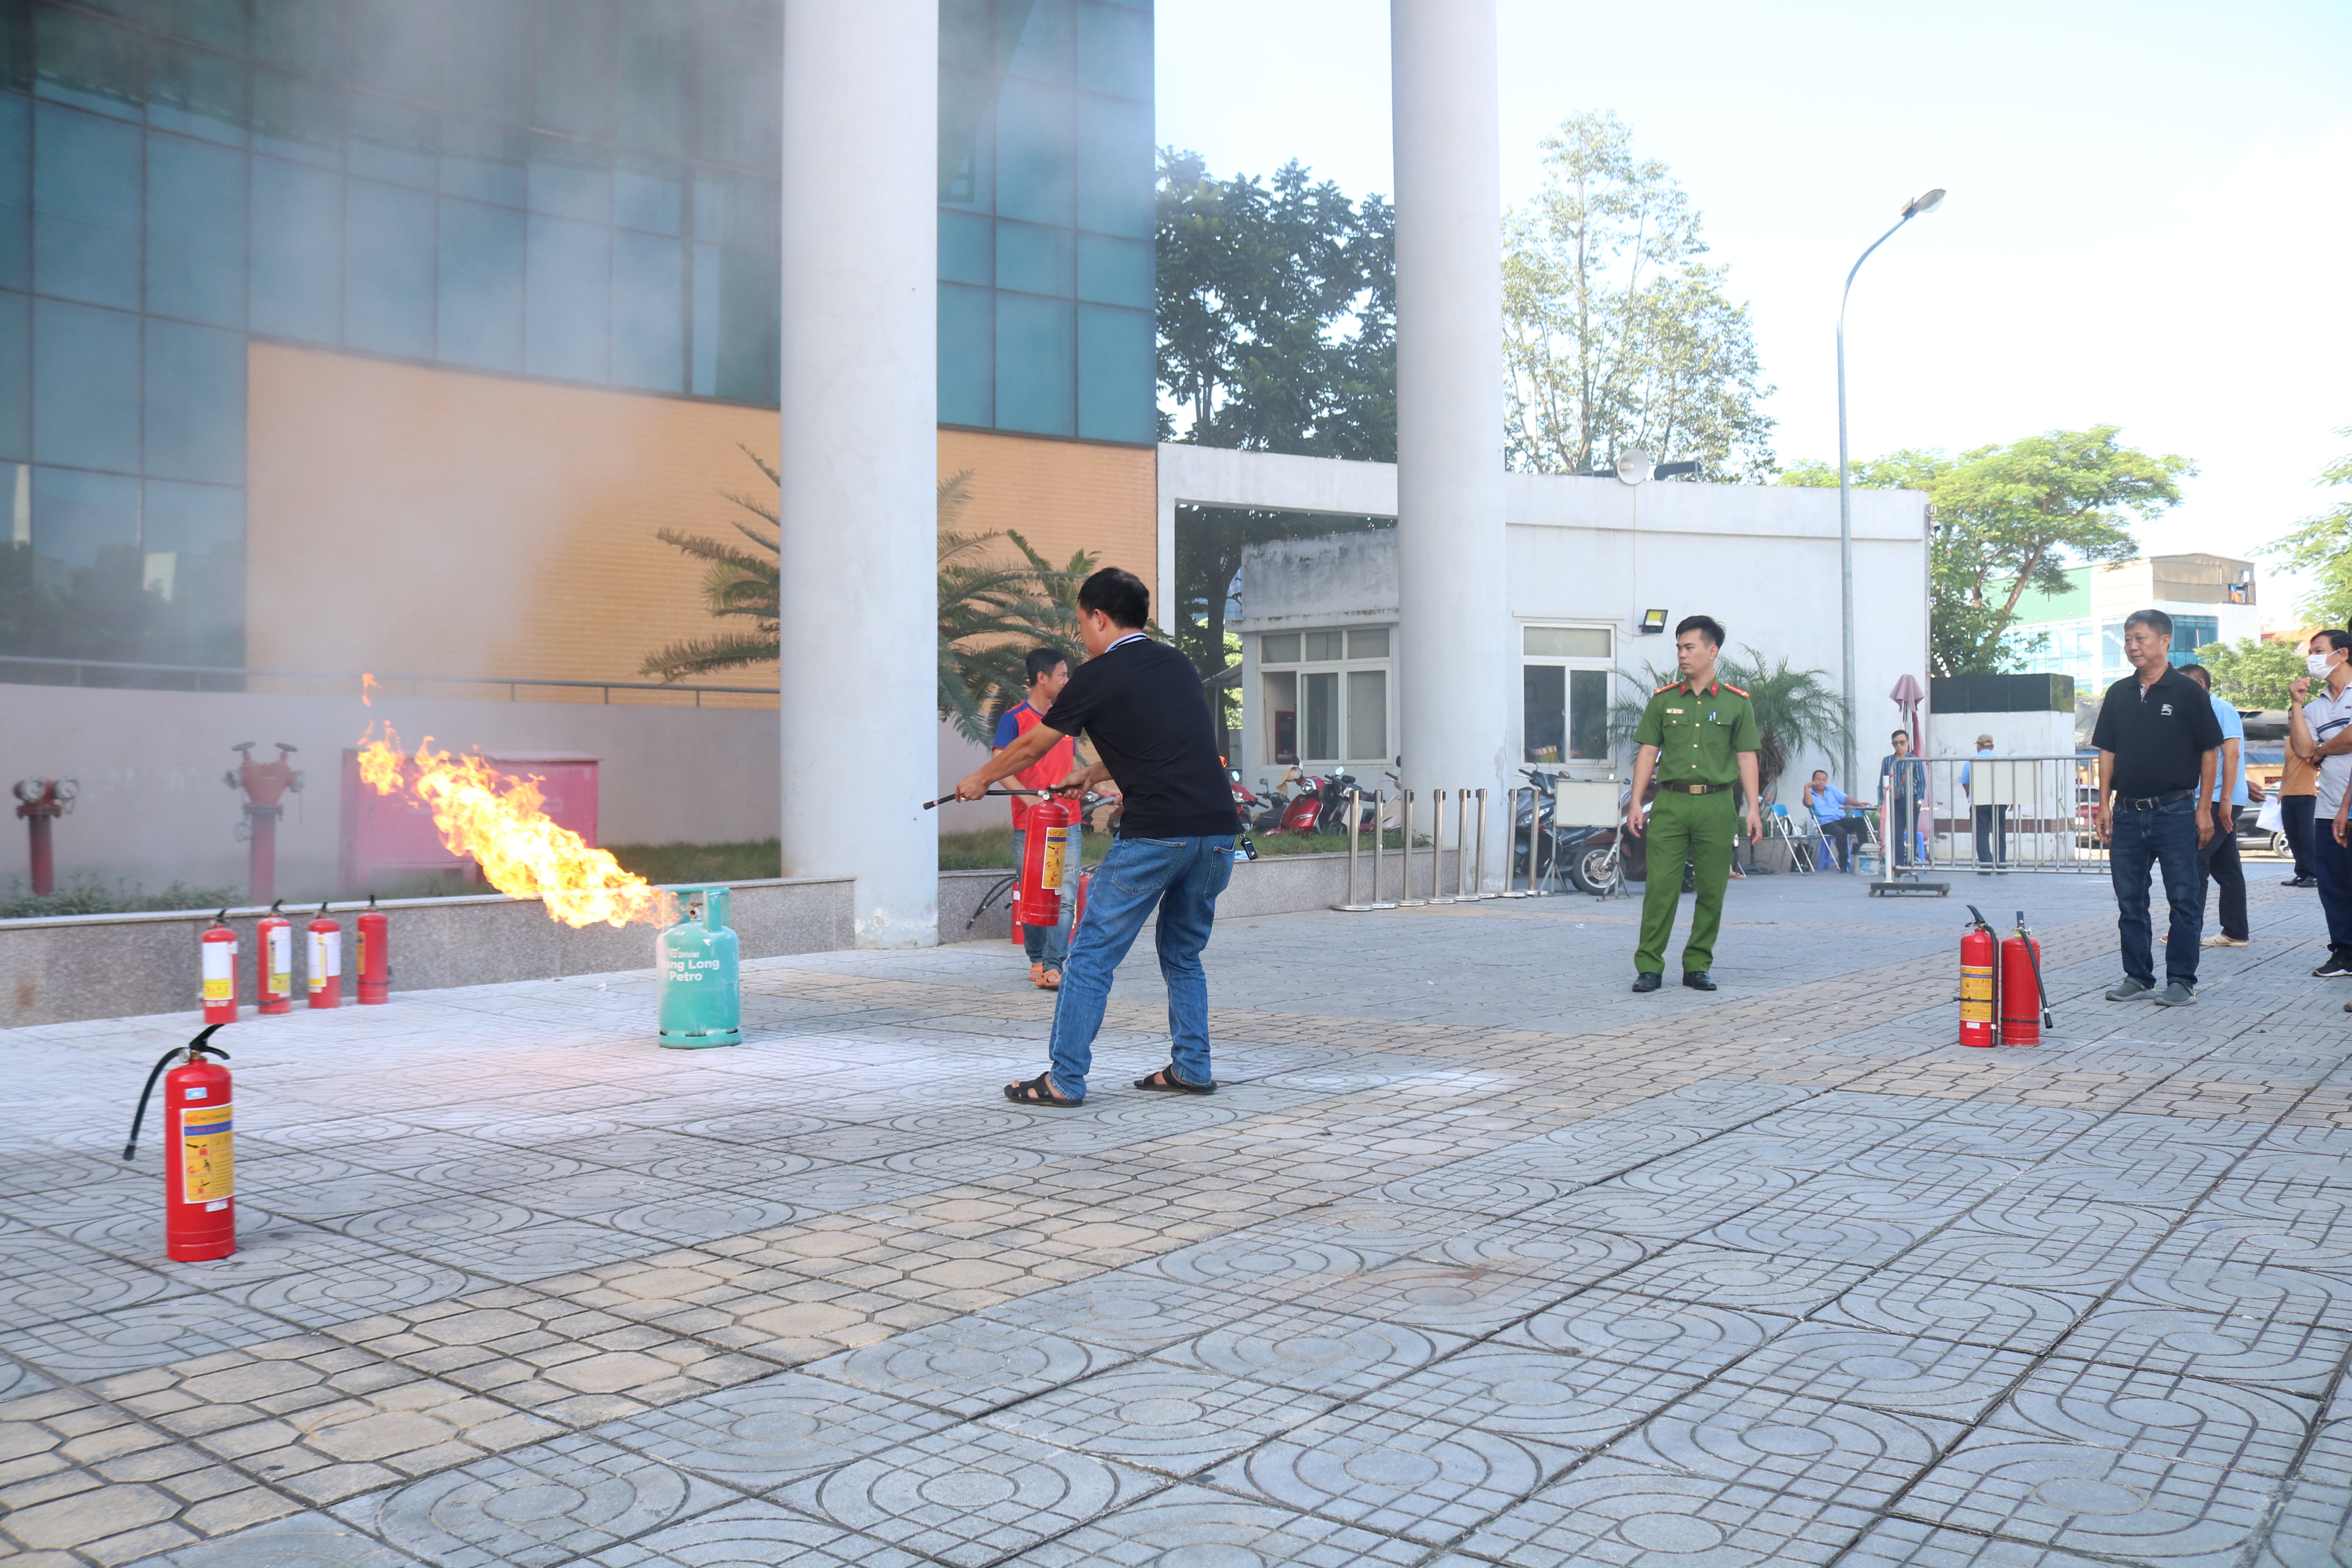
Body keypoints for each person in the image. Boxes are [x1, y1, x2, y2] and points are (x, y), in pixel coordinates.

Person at [956, 567, 1237, 1104]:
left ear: (1099, 617)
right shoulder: (1176, 665)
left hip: (1156, 836)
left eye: (1083, 621)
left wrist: (981, 778)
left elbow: (1034, 746)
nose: (1082, 634)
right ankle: (1193, 1068)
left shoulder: (1096, 675)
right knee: (1183, 955)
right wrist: (1093, 774)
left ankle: (1063, 1079)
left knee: (1088, 957)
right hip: (1217, 834)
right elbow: (1170, 743)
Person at [2091, 609, 2223, 1007]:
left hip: (2176, 811)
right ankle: (2139, 976)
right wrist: (2104, 805)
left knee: (2185, 898)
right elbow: (2108, 752)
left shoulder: (2188, 692)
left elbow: (2209, 752)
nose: (2133, 646)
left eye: (2141, 638)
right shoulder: (2118, 693)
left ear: (2165, 641)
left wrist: (2203, 809)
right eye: (2128, 639)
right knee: (2130, 901)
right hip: (2128, 814)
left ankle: (2181, 979)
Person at [1624, 615, 1762, 993]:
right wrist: (1636, 803)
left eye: (1690, 648)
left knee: (1713, 889)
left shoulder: (1737, 704)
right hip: (1670, 804)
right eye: (1679, 649)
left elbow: (1748, 757)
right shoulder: (1664, 700)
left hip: (1717, 807)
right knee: (1661, 888)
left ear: (1712, 651)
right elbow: (1649, 752)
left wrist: (1753, 808)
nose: (1683, 656)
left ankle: (1698, 964)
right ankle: (1650, 967)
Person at [994, 647, 1082, 990]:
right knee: (1033, 891)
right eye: (1062, 675)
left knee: (1065, 892)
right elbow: (1001, 768)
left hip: (1068, 821)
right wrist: (1030, 802)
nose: (1067, 681)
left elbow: (1069, 768)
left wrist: (1101, 788)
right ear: (1041, 678)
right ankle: (1036, 958)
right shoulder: (1014, 719)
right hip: (1030, 825)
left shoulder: (1067, 720)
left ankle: (1054, 965)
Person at [2290, 628, 2352, 978]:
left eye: (2318, 650)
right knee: (2333, 884)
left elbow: (2346, 739)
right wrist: (2297, 704)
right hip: (2329, 807)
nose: (2312, 658)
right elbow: (2302, 751)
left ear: (2341, 654)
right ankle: (2344, 953)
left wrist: (2324, 750)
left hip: (2351, 806)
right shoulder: (2314, 708)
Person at [2177, 663, 2250, 949]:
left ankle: (2187, 931)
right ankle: (2236, 932)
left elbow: (2231, 755)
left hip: (2220, 800)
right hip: (2214, 798)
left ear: (2202, 685)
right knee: (2227, 868)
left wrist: (2228, 801)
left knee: (2196, 862)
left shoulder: (2221, 709)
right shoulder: (2196, 712)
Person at [2280, 631, 2330, 888]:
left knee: (2307, 837)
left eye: (2294, 717)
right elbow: (2288, 768)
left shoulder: (2312, 738)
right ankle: (2302, 871)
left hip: (2307, 794)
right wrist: (2280, 792)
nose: (2292, 722)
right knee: (2293, 836)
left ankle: (2313, 873)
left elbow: (2315, 757)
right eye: (2290, 719)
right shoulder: (2289, 743)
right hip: (2288, 795)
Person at [1959, 734, 2008, 874]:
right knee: (2000, 832)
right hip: (1999, 802)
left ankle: (1986, 865)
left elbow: (1965, 781)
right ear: (1992, 747)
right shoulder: (2002, 760)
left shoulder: (1971, 761)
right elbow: (2008, 781)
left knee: (1981, 833)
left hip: (1979, 802)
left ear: (1978, 746)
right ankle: (2001, 865)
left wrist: (1970, 794)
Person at [1802, 769, 1865, 873]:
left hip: (1840, 820)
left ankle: (1864, 851)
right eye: (1818, 780)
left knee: (1860, 822)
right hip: (1826, 824)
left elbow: (1846, 799)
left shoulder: (1832, 790)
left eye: (1824, 780)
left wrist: (1859, 804)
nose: (1821, 782)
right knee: (1840, 832)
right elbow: (1808, 804)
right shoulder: (1810, 794)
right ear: (1813, 780)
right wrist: (1807, 788)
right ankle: (1843, 862)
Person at [1880, 731, 1927, 868]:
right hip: (1894, 799)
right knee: (1896, 833)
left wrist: (1919, 799)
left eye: (1902, 742)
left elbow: (1922, 782)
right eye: (1896, 743)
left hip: (1911, 798)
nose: (1899, 746)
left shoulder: (1914, 760)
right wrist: (1881, 802)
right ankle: (1899, 864)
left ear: (1908, 743)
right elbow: (1882, 781)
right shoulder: (1888, 761)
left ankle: (1911, 861)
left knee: (1911, 832)